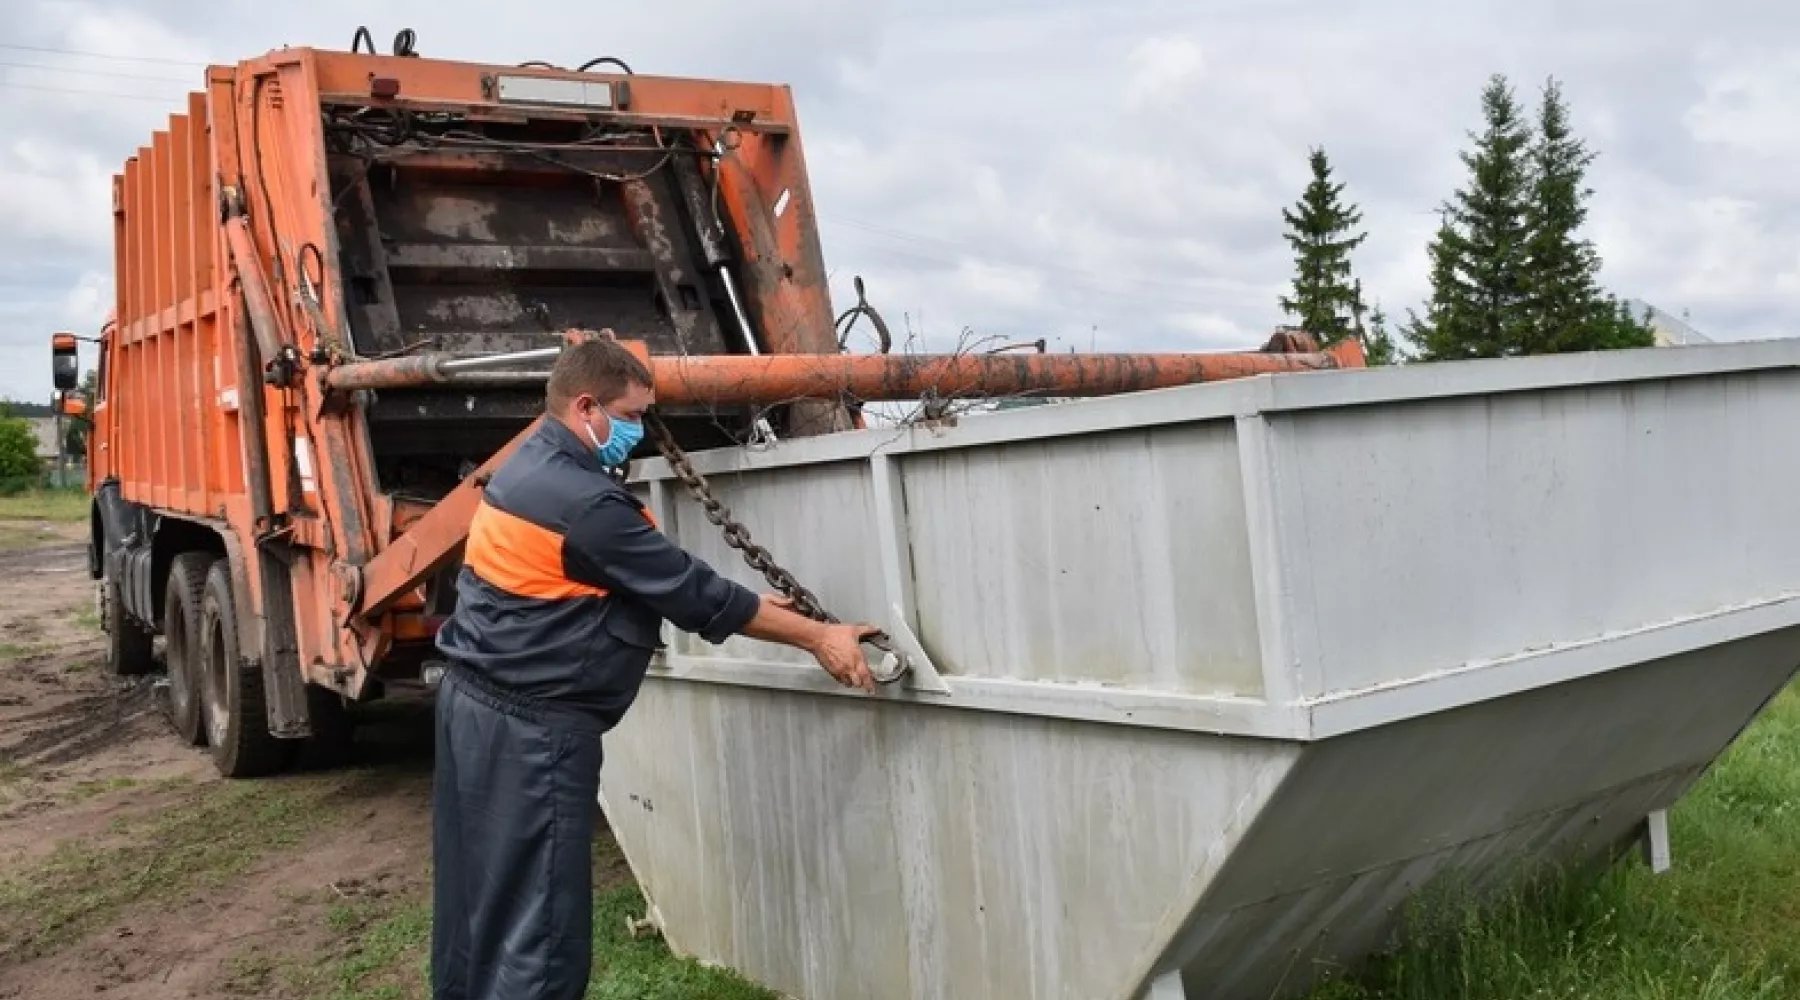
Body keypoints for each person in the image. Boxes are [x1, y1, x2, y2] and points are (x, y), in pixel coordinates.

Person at [429, 337, 879, 1000]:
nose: (639, 432)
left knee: (479, 903)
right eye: (633, 415)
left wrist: (757, 604)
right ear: (586, 406)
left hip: (473, 705)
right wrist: (819, 638)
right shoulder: (585, 504)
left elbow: (608, 580)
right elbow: (696, 595)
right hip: (532, 733)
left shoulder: (527, 468)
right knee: (542, 931)